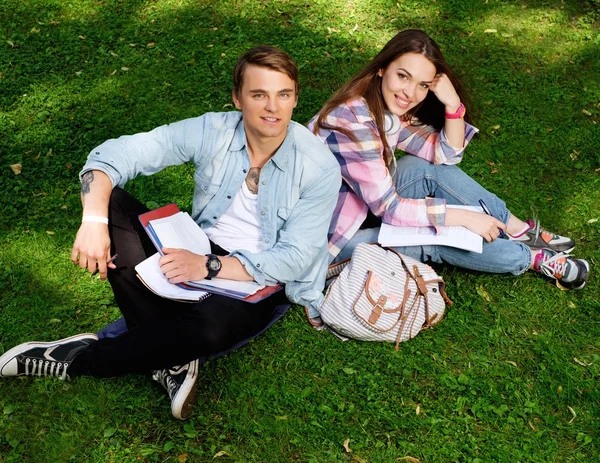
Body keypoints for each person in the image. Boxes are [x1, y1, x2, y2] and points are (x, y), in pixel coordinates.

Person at [0, 46, 341, 420]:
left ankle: (76, 360)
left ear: (295, 98)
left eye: (284, 95)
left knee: (210, 330)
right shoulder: (214, 130)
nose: (272, 108)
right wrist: (94, 221)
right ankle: (172, 359)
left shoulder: (318, 166)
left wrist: (207, 266)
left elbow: (294, 259)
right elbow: (119, 153)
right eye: (259, 94)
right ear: (237, 98)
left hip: (259, 275)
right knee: (112, 202)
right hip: (196, 245)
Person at [306, 29, 588, 321]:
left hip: (359, 211)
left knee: (423, 169)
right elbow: (389, 209)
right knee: (429, 236)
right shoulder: (352, 122)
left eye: (423, 85)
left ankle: (519, 230)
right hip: (328, 243)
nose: (410, 93)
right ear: (381, 68)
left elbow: (445, 156)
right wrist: (465, 217)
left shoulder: (385, 111)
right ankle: (531, 258)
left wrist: (453, 106)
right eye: (403, 76)